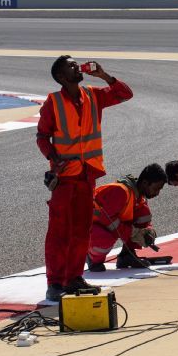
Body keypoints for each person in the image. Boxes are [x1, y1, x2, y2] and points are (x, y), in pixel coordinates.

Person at [36, 55, 133, 303]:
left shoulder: (93, 95)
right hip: (65, 178)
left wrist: (103, 75)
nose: (76, 66)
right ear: (60, 77)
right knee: (59, 232)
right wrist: (52, 156)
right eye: (70, 65)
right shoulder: (53, 102)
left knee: (81, 231)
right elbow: (42, 136)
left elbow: (124, 94)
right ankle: (55, 282)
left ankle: (74, 277)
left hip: (87, 174)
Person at [86, 163, 167, 272]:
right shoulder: (121, 192)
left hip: (103, 224)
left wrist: (147, 232)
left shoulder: (138, 198)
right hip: (86, 226)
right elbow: (109, 222)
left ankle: (127, 255)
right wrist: (135, 233)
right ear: (145, 183)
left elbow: (140, 222)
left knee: (144, 213)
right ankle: (92, 258)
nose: (157, 193)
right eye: (156, 188)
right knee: (104, 239)